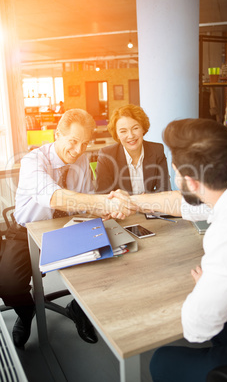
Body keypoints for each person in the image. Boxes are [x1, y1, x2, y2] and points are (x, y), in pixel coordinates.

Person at [116, 118, 227, 381]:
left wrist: (205, 286)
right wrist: (131, 201)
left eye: (176, 173)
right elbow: (184, 205)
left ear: (192, 182)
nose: (175, 180)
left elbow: (197, 329)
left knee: (162, 361)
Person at [0, 108, 135, 349]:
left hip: (67, 228)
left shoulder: (82, 160)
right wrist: (99, 202)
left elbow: (86, 199)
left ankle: (78, 308)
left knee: (108, 263)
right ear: (56, 134)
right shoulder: (33, 161)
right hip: (27, 232)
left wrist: (106, 207)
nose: (79, 150)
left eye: (85, 143)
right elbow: (54, 198)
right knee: (8, 283)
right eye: (73, 142)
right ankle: (26, 312)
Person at [95, 104, 171, 194]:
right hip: (121, 207)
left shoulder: (157, 150)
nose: (130, 136)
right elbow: (103, 196)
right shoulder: (106, 155)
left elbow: (164, 190)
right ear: (117, 135)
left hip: (149, 206)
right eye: (123, 131)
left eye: (135, 128)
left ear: (143, 128)